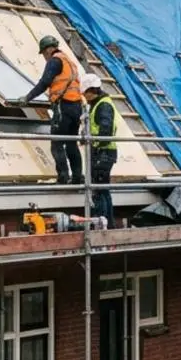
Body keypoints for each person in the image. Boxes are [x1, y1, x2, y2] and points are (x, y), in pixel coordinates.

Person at [22, 35, 84, 184]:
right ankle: (77, 177)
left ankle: (63, 177)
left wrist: (27, 98)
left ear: (49, 49)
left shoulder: (55, 61)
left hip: (64, 106)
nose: (44, 56)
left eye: (43, 53)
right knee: (71, 142)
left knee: (56, 143)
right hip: (77, 106)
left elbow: (45, 82)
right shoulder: (69, 61)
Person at [81, 74, 118, 223]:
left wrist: (94, 142)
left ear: (91, 91)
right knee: (103, 190)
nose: (84, 96)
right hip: (103, 152)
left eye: (85, 93)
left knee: (99, 191)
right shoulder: (99, 103)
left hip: (103, 153)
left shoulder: (103, 105)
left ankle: (102, 224)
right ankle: (107, 224)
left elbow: (106, 131)